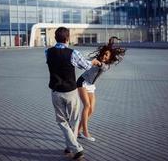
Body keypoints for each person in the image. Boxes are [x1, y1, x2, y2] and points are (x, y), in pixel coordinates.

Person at [46, 27, 101, 160]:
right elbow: (86, 66)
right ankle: (76, 149)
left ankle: (69, 146)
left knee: (61, 121)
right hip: (70, 92)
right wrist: (93, 62)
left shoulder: (47, 51)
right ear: (67, 38)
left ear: (55, 38)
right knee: (74, 120)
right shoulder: (73, 53)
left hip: (55, 92)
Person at [77, 36, 126, 142]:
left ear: (110, 57)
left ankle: (77, 131)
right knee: (87, 106)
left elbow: (102, 67)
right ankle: (85, 132)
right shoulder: (95, 60)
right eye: (103, 54)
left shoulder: (106, 65)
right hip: (82, 82)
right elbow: (85, 63)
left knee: (91, 109)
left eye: (106, 55)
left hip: (90, 85)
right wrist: (91, 62)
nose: (104, 56)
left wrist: (98, 63)